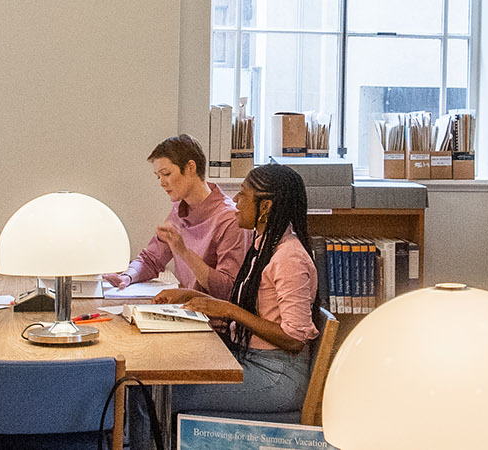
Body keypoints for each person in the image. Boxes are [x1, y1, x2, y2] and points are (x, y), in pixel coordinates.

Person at [127, 164, 324, 449]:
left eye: (244, 195)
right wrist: (188, 295)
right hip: (253, 361)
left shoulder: (289, 258)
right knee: (147, 385)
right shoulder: (263, 246)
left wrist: (230, 311)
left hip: (276, 377)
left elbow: (294, 339)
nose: (237, 202)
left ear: (265, 206)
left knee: (146, 394)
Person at [104, 135, 248, 301]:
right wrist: (127, 276)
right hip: (184, 310)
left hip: (213, 322)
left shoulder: (229, 219)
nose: (162, 183)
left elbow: (228, 289)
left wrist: (184, 252)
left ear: (190, 168)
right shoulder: (180, 209)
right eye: (158, 176)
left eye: (166, 174)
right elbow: (152, 258)